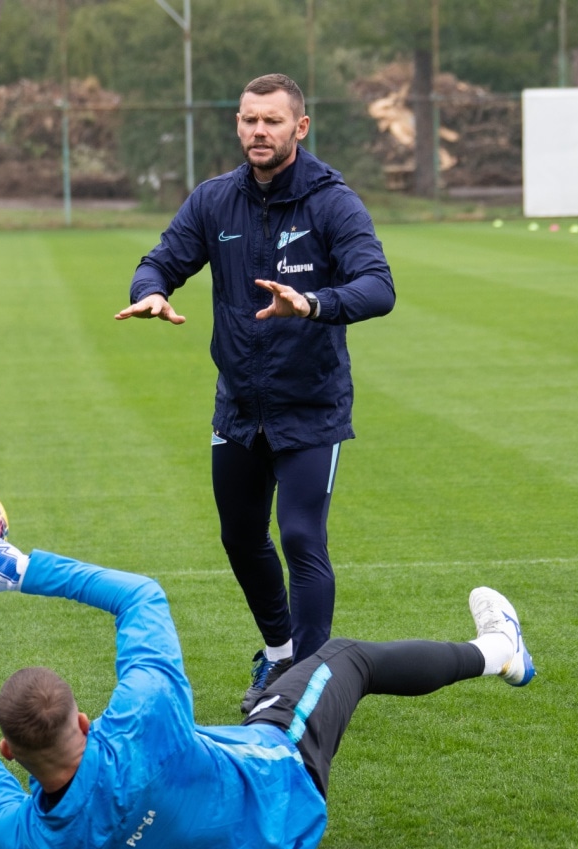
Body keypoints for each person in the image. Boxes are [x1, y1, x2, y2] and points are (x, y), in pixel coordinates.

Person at [0, 505, 535, 849]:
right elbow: (140, 594)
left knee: (284, 689)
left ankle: (275, 708)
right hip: (284, 792)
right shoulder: (142, 718)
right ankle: (500, 651)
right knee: (344, 658)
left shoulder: (30, 845)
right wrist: (24, 570)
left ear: (12, 751)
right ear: (84, 720)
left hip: (236, 809)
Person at [115, 73, 396, 714]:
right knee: (241, 537)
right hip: (240, 407)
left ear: (300, 127)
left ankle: (308, 691)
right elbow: (162, 258)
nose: (257, 132)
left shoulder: (332, 203)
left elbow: (377, 287)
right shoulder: (216, 201)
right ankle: (279, 655)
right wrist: (150, 292)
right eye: (248, 120)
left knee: (301, 538)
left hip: (311, 408)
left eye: (271, 121)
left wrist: (315, 302)